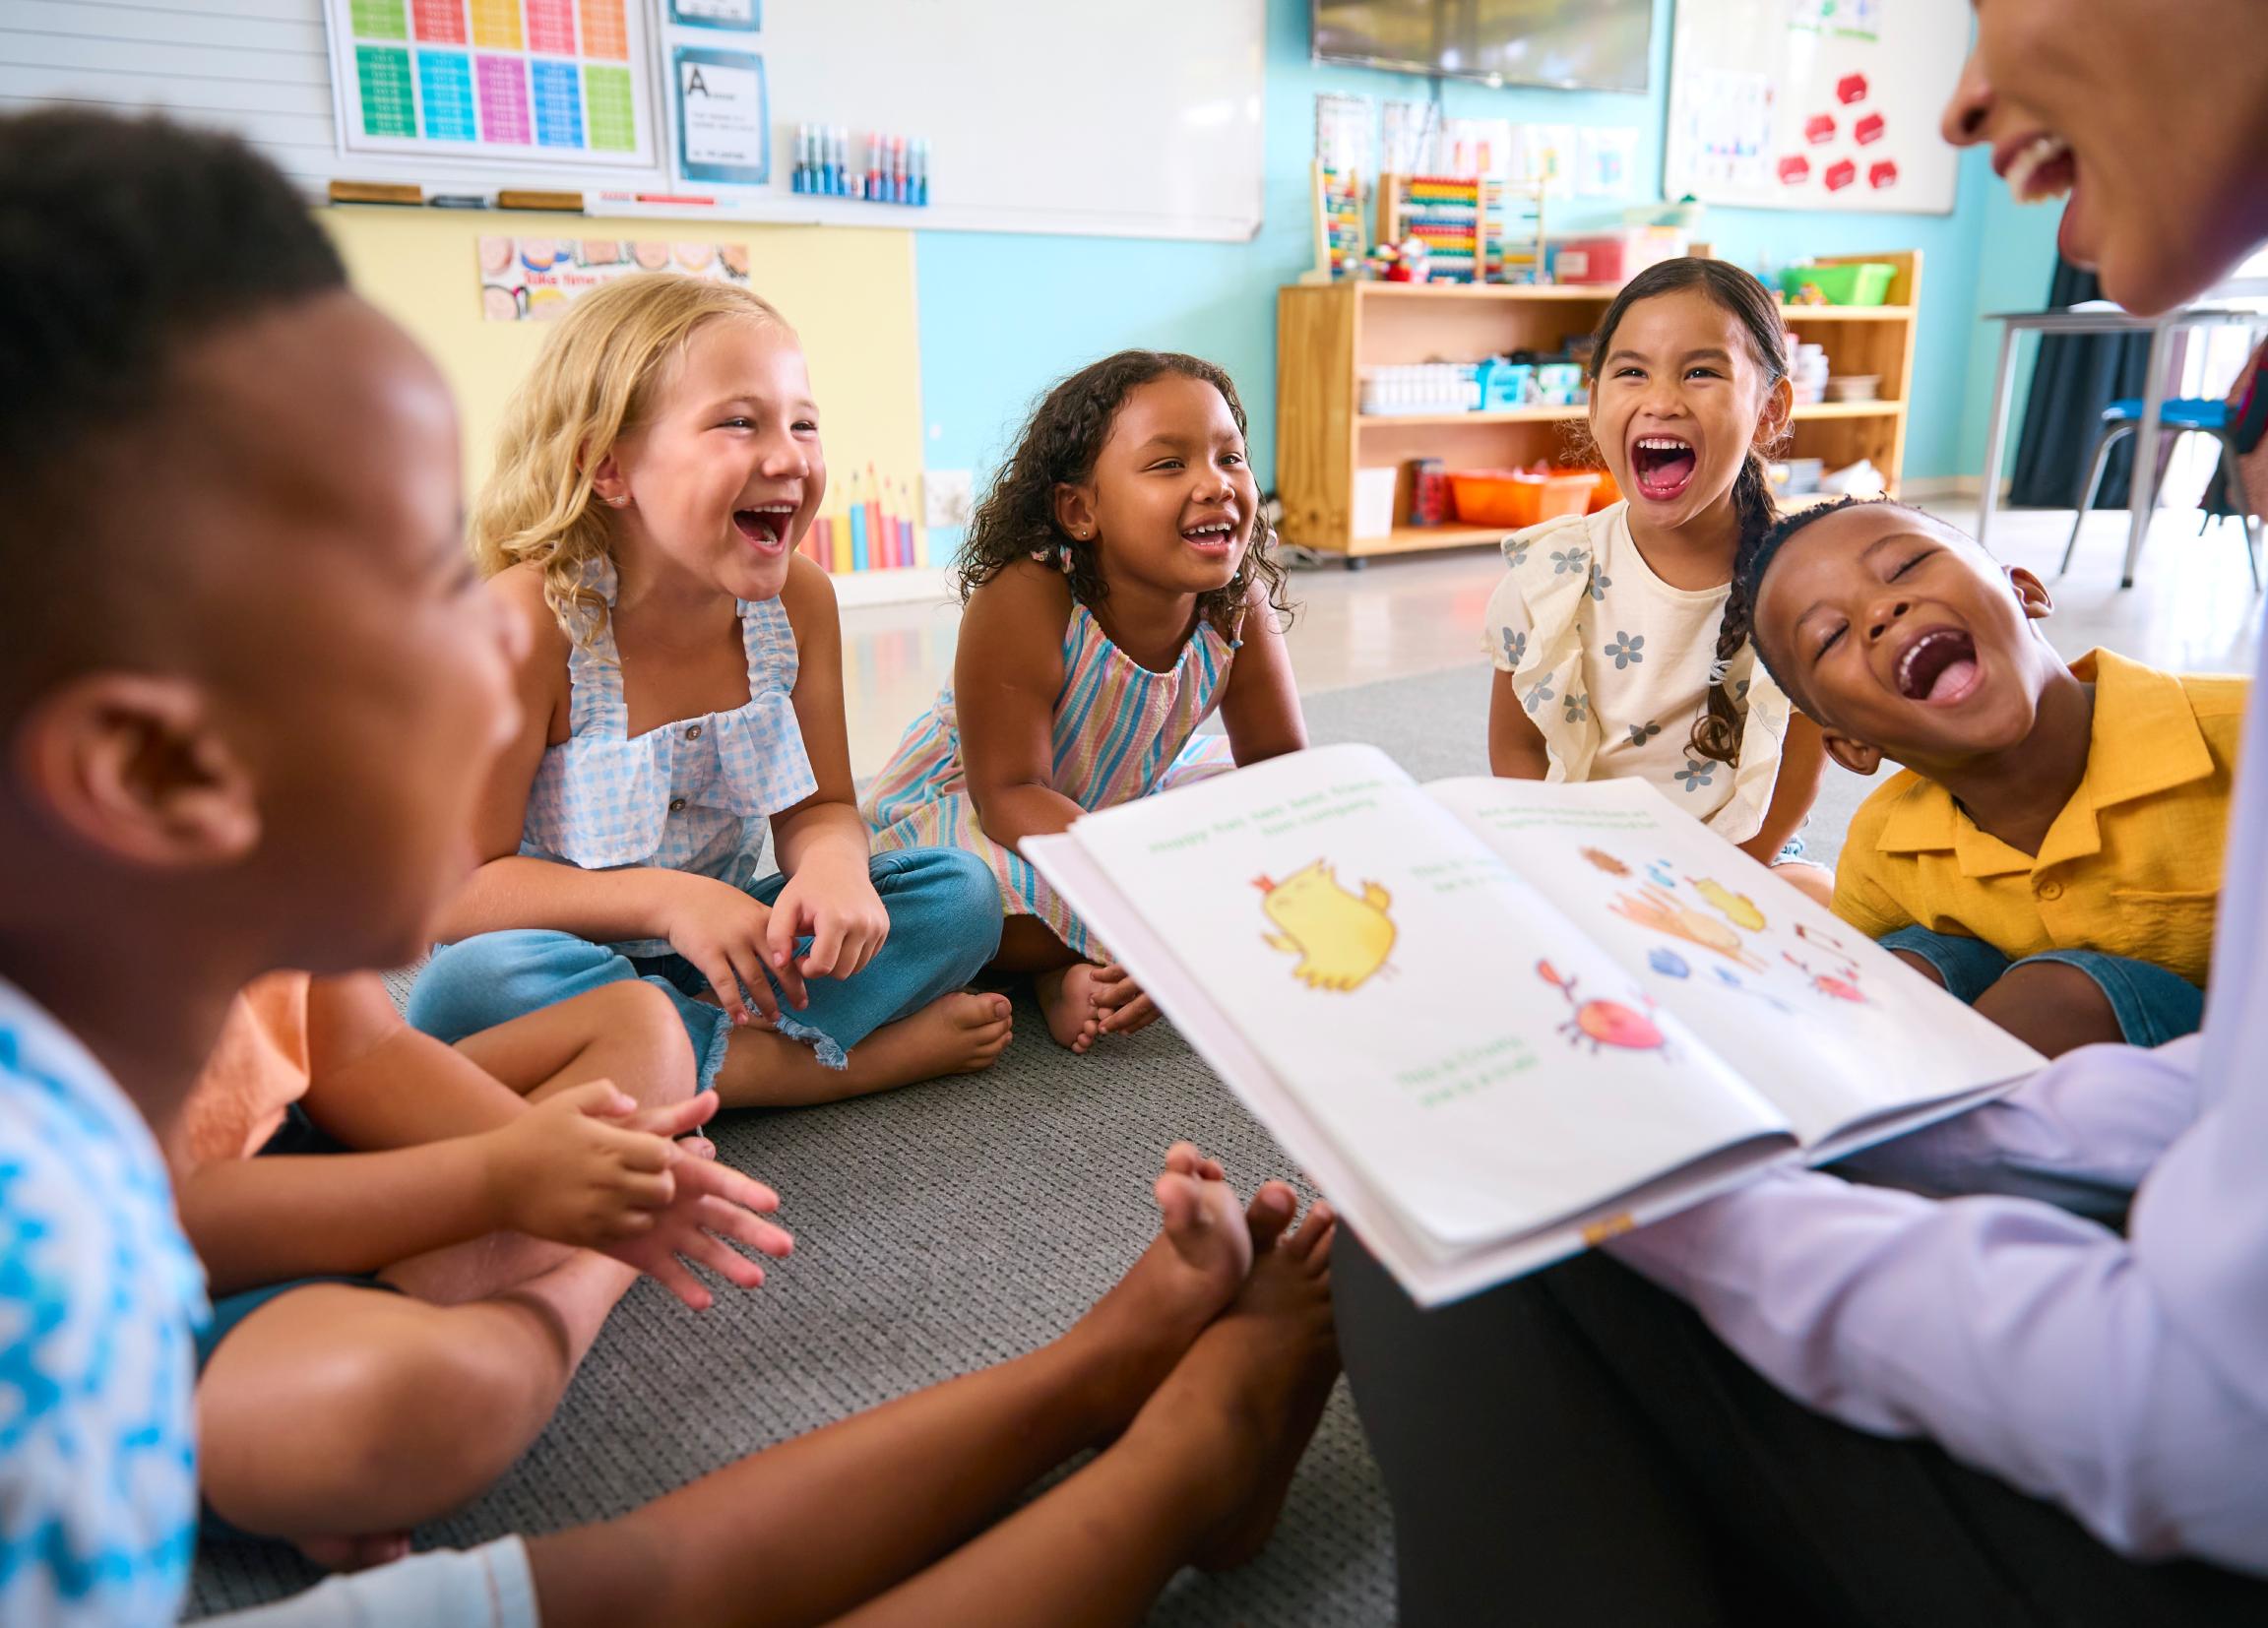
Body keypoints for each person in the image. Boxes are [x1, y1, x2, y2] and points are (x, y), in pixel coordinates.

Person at [0, 107, 1340, 1628]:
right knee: (406, 1405)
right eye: (407, 589)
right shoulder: (44, 1194)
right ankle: (791, 1145)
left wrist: (550, 1155)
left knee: (815, 952)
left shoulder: (790, 614)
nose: (475, 629)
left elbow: (350, 1068)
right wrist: (521, 1174)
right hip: (544, 982)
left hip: (660, 991)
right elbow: (182, 1193)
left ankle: (1089, 1381)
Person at [1339, 0, 2268, 1619]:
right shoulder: (1589, 601)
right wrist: (1940, 1117)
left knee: (1451, 1232)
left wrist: (1691, 1207)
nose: (1962, 100)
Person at [407, 276, 1011, 1108]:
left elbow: (823, 806)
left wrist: (835, 869)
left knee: (961, 895)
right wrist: (667, 899)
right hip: (559, 956)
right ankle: (801, 1071)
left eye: (803, 423)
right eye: (739, 422)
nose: (791, 456)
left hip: (722, 951)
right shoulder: (527, 623)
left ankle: (666, 1056)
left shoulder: (799, 602)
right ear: (608, 466)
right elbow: (454, 896)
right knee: (467, 992)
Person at [177, 972, 779, 1570]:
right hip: (158, 1296)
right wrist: (496, 1182)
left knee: (643, 1027)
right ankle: (596, 1269)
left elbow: (363, 1052)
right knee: (418, 1396)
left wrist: (551, 1159)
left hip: (297, 1145)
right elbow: (168, 1223)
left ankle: (407, 1306)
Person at [862, 352, 1308, 1052]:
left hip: (1128, 800)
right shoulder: (1026, 594)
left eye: (1232, 458)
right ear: (1080, 509)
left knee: (1269, 825)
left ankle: (1104, 952)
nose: (1216, 485)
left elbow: (1280, 774)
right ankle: (1070, 964)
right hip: (998, 812)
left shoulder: (1235, 602)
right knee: (969, 899)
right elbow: (1009, 793)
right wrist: (1153, 899)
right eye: (1169, 465)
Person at [1733, 496, 2244, 1055]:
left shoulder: (2266, 734)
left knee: (2048, 997)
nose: (1881, 613)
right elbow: (1849, 1015)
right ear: (1854, 746)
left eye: (1905, 567)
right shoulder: (1885, 856)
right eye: (1831, 636)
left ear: (2024, 590)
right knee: (1895, 974)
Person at [1483, 258, 1832, 902]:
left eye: (1701, 372)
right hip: (1585, 853)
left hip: (1747, 851)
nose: (1662, 401)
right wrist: (1560, 858)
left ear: (1770, 409)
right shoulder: (1549, 572)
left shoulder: (1804, 580)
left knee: (1825, 904)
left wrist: (1721, 880)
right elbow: (1517, 747)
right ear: (1594, 402)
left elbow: (1796, 769)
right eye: (1632, 372)